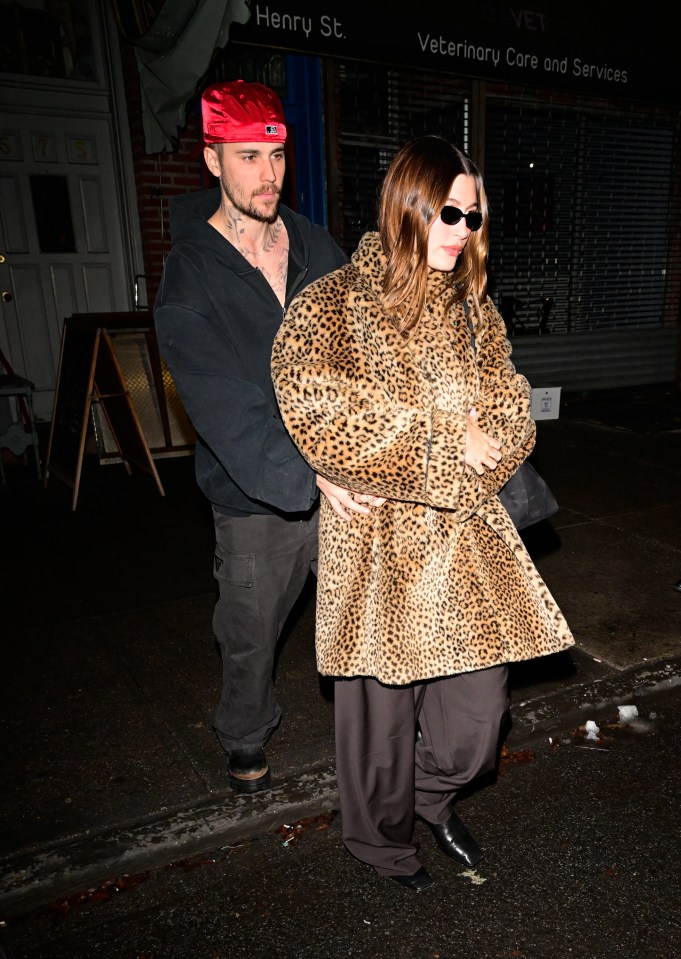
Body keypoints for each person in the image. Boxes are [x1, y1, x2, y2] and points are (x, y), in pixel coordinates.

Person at [271, 135, 576, 891]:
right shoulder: (333, 303)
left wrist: (492, 439)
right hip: (376, 549)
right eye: (447, 211)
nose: (460, 229)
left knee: (476, 724)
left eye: (471, 216)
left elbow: (512, 407)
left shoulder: (474, 310)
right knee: (375, 730)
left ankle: (431, 798)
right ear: (407, 204)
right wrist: (447, 438)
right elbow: (318, 408)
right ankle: (382, 843)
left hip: (466, 546)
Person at [154, 79, 364, 796]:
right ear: (213, 161)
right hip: (256, 493)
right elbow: (221, 402)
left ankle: (376, 735)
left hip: (343, 472)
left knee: (366, 611)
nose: (268, 175)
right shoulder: (191, 271)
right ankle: (244, 736)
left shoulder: (313, 244)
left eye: (276, 156)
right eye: (248, 157)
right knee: (250, 629)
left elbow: (362, 342)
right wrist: (306, 475)